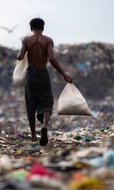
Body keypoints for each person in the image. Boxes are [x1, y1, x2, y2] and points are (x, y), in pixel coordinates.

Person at [17, 18, 73, 146]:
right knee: (47, 101)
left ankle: (33, 136)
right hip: (43, 74)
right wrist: (64, 74)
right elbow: (52, 59)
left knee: (31, 103)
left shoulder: (27, 40)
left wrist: (20, 54)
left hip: (30, 75)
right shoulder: (48, 40)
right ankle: (45, 125)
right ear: (43, 28)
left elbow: (20, 56)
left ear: (31, 28)